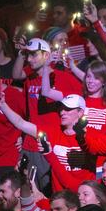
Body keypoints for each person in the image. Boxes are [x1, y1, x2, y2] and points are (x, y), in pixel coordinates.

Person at [11, 37, 83, 191]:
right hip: (29, 142)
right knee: (26, 189)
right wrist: (22, 54)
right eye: (27, 55)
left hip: (51, 143)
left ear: (46, 55)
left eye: (34, 54)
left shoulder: (63, 77)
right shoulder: (29, 79)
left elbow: (80, 105)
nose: (29, 59)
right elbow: (16, 75)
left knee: (49, 190)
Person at [0, 92, 94, 192]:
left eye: (67, 109)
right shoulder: (53, 132)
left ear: (80, 112)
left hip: (83, 196)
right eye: (61, 108)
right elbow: (20, 123)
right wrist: (3, 105)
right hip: (60, 198)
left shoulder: (91, 136)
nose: (62, 112)